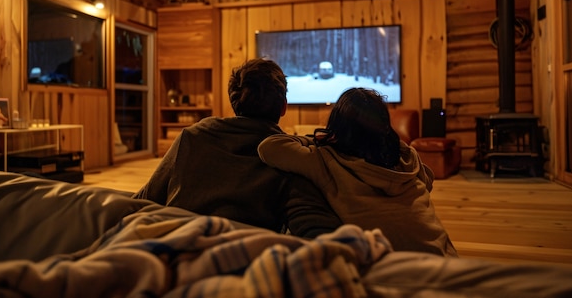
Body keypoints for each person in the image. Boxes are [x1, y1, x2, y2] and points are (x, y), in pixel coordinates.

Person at [133, 58, 341, 237]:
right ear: (284, 106)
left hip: (172, 243)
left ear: (234, 102)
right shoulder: (287, 157)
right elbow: (317, 227)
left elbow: (143, 202)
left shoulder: (191, 136)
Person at [258, 87, 458, 256]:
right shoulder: (407, 155)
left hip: (398, 271)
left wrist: (322, 138)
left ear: (337, 126)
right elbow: (428, 182)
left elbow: (269, 147)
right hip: (443, 256)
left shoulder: (325, 160)